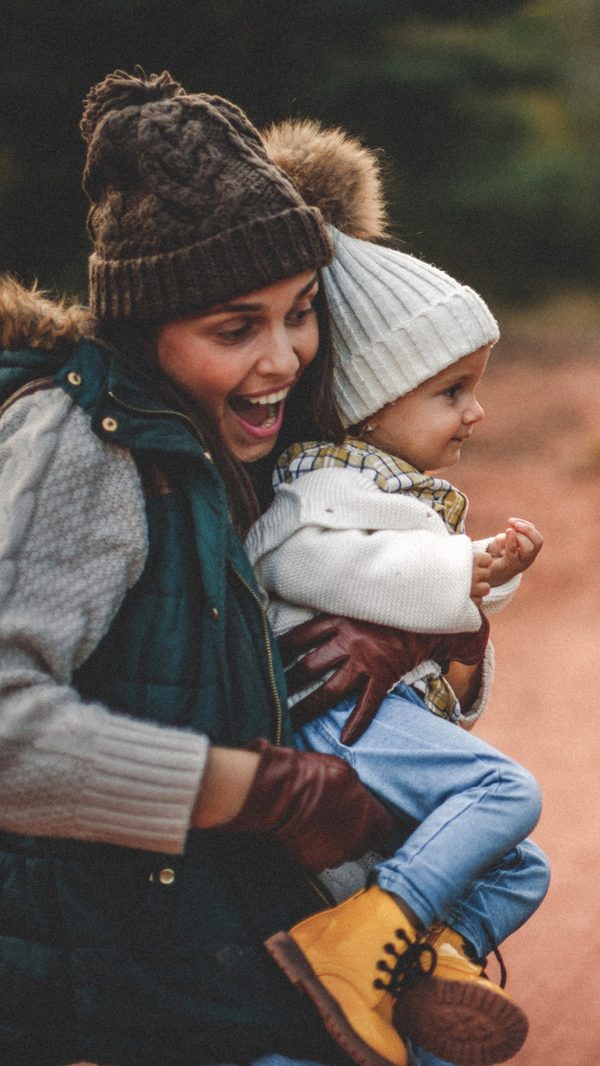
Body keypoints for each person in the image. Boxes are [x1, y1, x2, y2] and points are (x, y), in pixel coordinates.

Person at [0, 71, 398, 1066]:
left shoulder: (244, 433)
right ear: (147, 328)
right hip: (108, 1004)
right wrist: (266, 792)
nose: (284, 355)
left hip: (217, 964)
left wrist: (419, 630)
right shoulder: (85, 445)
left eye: (301, 310)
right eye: (236, 327)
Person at [244, 119, 550, 1066]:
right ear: (373, 399)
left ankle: (420, 954)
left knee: (522, 867)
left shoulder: (393, 491)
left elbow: (431, 635)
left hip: (383, 721)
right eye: (451, 391)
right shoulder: (322, 481)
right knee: (505, 791)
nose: (476, 411)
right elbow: (300, 563)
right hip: (333, 722)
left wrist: (472, 599)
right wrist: (458, 574)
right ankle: (360, 944)